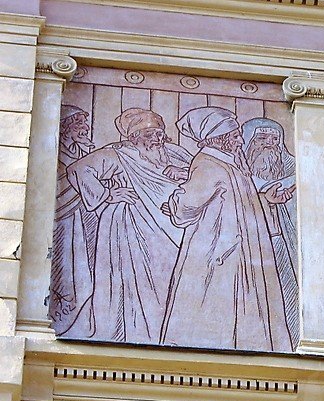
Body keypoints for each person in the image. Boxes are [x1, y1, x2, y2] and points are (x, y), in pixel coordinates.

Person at [160, 106, 293, 351]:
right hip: (219, 252)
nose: (240, 141)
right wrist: (173, 203)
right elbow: (188, 205)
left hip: (241, 248)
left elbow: (239, 204)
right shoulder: (209, 165)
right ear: (219, 139)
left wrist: (266, 199)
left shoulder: (228, 164)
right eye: (234, 136)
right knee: (213, 299)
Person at [64, 108, 191, 342]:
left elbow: (199, 175)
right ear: (134, 137)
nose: (156, 139)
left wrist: (183, 172)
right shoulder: (119, 154)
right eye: (149, 134)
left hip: (171, 227)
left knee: (168, 281)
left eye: (159, 133)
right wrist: (108, 194)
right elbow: (79, 170)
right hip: (128, 225)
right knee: (134, 284)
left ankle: (166, 335)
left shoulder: (176, 154)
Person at [242, 117, 299, 341]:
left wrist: (284, 200)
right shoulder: (235, 173)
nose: (269, 144)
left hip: (280, 244)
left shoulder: (292, 170)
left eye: (275, 139)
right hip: (247, 248)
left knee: (285, 295)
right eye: (262, 138)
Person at [50, 105, 98, 333]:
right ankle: (62, 312)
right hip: (63, 225)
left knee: (82, 275)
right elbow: (56, 189)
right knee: (65, 272)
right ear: (66, 128)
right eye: (78, 124)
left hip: (80, 222)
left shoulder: (81, 152)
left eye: (84, 124)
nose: (84, 129)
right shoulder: (56, 153)